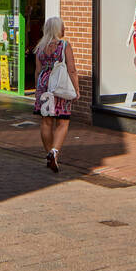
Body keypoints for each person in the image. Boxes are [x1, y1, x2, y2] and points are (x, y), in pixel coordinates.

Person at [32, 16, 78, 173]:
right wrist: (76, 90)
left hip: (44, 86)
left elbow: (37, 71)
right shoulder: (64, 45)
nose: (64, 29)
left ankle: (49, 154)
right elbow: (71, 69)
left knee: (46, 121)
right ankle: (54, 152)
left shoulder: (40, 48)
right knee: (63, 121)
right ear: (58, 29)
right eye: (63, 27)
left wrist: (38, 91)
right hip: (59, 85)